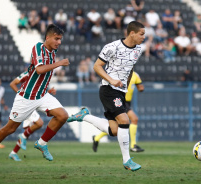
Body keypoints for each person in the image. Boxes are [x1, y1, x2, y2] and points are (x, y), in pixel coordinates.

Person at [0, 24, 70, 174]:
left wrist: (47, 89)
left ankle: (41, 143)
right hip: (26, 97)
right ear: (48, 37)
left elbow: (41, 75)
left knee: (62, 115)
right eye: (57, 38)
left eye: (60, 39)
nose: (59, 42)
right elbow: (39, 69)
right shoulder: (38, 48)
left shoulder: (52, 52)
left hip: (42, 95)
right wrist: (59, 63)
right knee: (10, 129)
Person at [67, 21, 145, 171]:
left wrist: (126, 87)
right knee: (125, 120)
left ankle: (84, 116)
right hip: (108, 89)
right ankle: (127, 160)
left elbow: (130, 68)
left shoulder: (138, 49)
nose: (143, 37)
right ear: (132, 33)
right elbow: (97, 66)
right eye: (141, 34)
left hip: (120, 92)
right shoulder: (112, 47)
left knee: (114, 130)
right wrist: (111, 80)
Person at [8, 71, 55, 161]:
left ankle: (13, 153)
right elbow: (12, 84)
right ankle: (22, 137)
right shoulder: (28, 73)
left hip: (31, 104)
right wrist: (21, 95)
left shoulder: (40, 75)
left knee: (27, 131)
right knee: (39, 123)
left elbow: (37, 92)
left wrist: (48, 92)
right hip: (25, 104)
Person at [92, 72, 145, 153]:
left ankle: (97, 138)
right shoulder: (119, 72)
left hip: (127, 102)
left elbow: (140, 88)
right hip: (119, 100)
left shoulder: (135, 75)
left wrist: (139, 86)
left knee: (116, 127)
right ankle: (133, 145)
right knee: (134, 119)